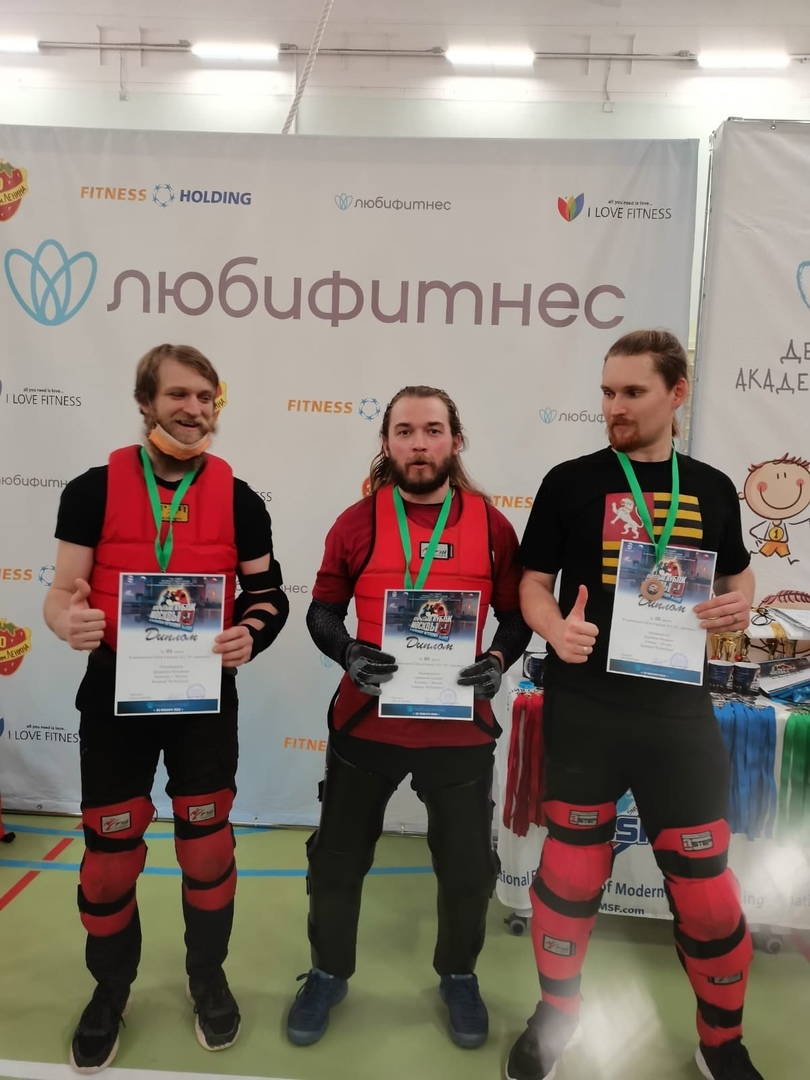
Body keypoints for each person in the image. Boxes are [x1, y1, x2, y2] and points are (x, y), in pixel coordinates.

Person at [509, 329, 761, 1080]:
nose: (613, 406)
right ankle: (557, 1016)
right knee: (569, 879)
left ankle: (721, 1043)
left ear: (676, 394)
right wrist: (554, 628)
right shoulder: (569, 481)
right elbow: (531, 583)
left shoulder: (712, 486)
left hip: (677, 715)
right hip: (586, 706)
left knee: (710, 898)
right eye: (607, 391)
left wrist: (739, 604)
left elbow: (738, 576)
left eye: (632, 392)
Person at [44, 344, 288, 1073]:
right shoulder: (91, 490)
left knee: (208, 849)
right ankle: (109, 990)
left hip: (201, 700)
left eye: (206, 397)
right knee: (108, 863)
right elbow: (60, 594)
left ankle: (206, 977)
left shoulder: (240, 499)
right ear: (146, 401)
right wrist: (66, 621)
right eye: (179, 395)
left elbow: (267, 596)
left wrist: (251, 633)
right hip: (115, 696)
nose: (194, 409)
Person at [286, 385, 532, 1050]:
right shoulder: (357, 522)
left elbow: (516, 615)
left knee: (467, 869)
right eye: (404, 431)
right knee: (336, 863)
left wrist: (499, 658)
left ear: (456, 439)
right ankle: (327, 973)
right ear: (387, 441)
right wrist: (347, 651)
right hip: (367, 726)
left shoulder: (492, 526)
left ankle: (459, 976)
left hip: (459, 731)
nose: (419, 444)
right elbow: (322, 610)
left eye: (432, 430)